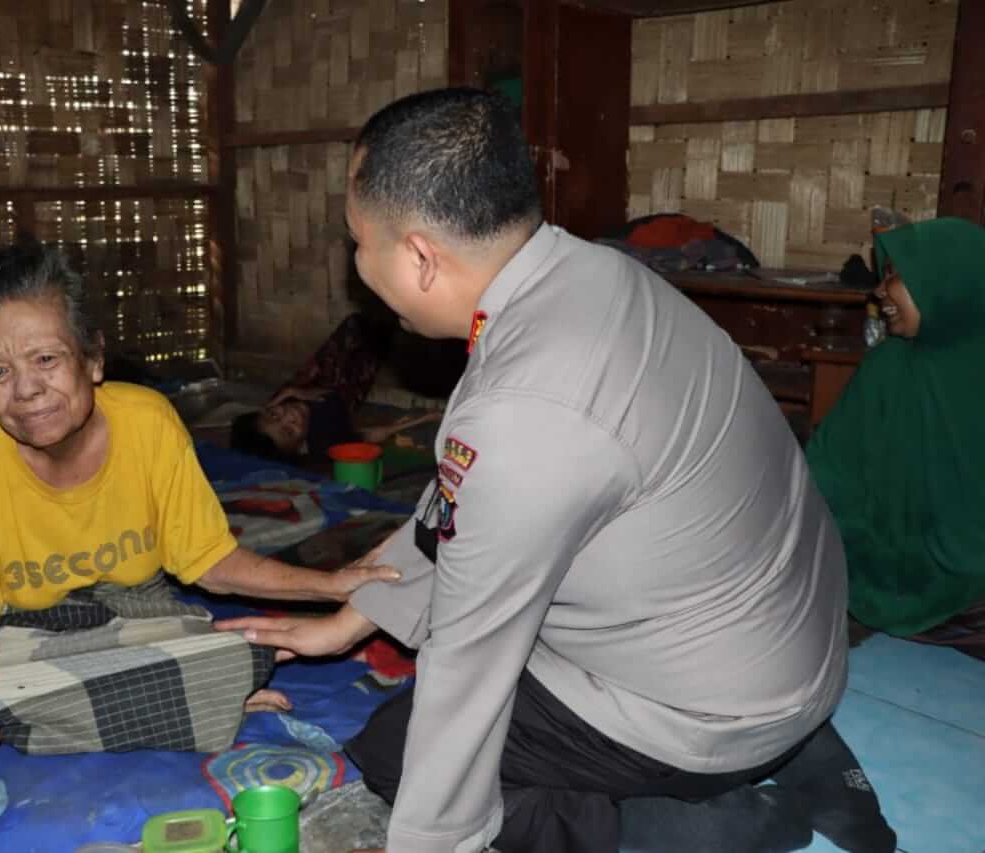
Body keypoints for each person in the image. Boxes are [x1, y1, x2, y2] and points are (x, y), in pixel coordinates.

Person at [220, 88, 895, 853]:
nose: (355, 263)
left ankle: (669, 825)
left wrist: (432, 837)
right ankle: (782, 744)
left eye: (357, 242)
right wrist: (349, 620)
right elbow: (464, 508)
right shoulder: (591, 276)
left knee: (399, 751)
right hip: (783, 639)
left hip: (715, 707)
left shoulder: (525, 408)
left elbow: (471, 658)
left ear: (419, 257)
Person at [0, 239, 398, 753]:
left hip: (139, 614)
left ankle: (181, 695)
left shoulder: (148, 421)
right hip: (31, 629)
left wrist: (331, 587)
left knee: (232, 649)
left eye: (46, 359)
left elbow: (208, 560)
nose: (25, 390)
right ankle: (192, 703)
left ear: (93, 360)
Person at [807, 217, 985, 658]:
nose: (879, 293)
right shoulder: (887, 366)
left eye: (895, 277)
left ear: (949, 282)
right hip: (883, 566)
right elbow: (829, 470)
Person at [230, 312, 440, 464]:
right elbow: (372, 434)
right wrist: (425, 418)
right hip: (347, 391)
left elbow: (290, 397)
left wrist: (294, 392)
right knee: (381, 339)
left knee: (354, 324)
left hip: (318, 381)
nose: (289, 417)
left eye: (274, 415)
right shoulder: (327, 441)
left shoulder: (285, 399)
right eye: (289, 431)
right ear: (299, 448)